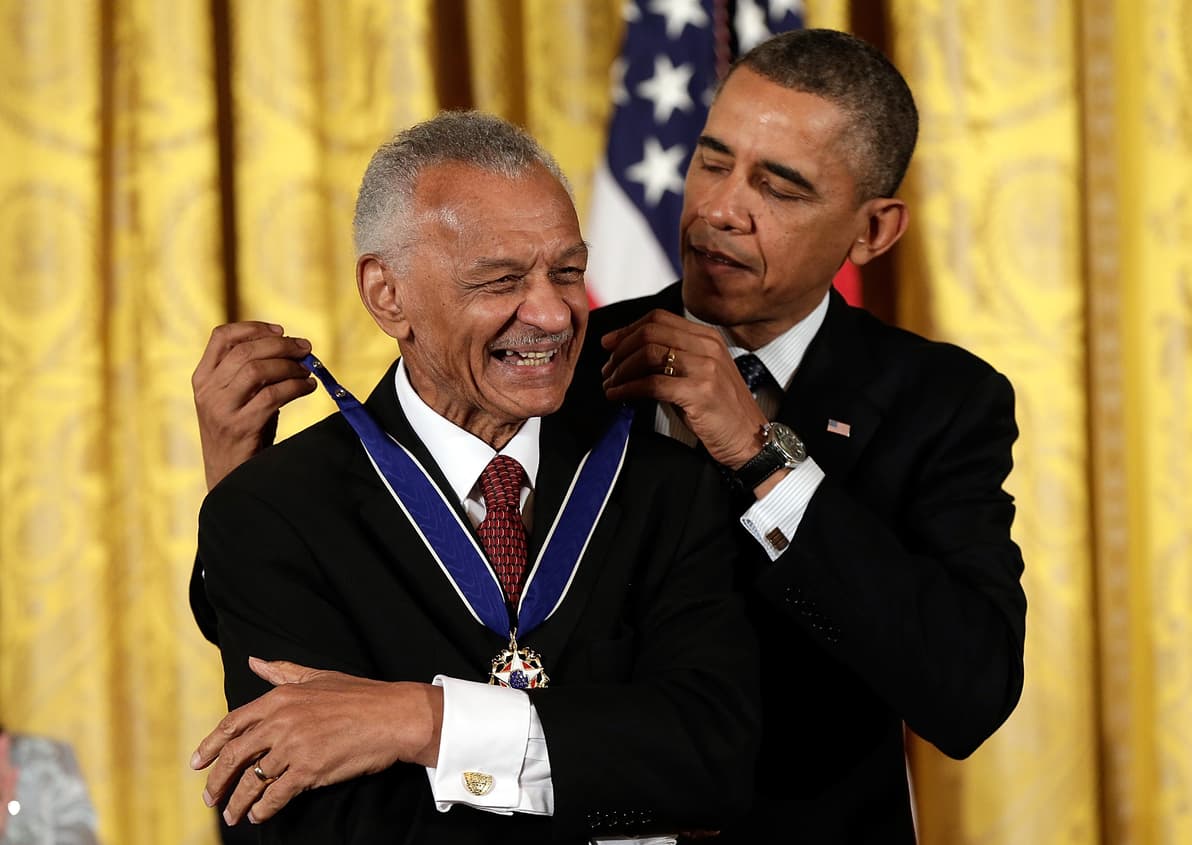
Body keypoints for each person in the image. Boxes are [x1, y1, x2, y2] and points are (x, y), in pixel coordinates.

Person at [193, 30, 1026, 844]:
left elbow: (968, 691)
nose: (720, 208)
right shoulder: (553, 354)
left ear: (873, 230)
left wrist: (763, 454)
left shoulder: (942, 402)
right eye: (710, 160)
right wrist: (241, 487)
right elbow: (357, 577)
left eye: (780, 187)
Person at [189, 111, 759, 843]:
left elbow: (714, 763)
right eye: (501, 279)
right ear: (387, 294)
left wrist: (420, 721)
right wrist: (603, 773)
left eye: (568, 271)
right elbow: (310, 827)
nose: (553, 313)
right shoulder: (271, 511)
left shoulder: (667, 487)